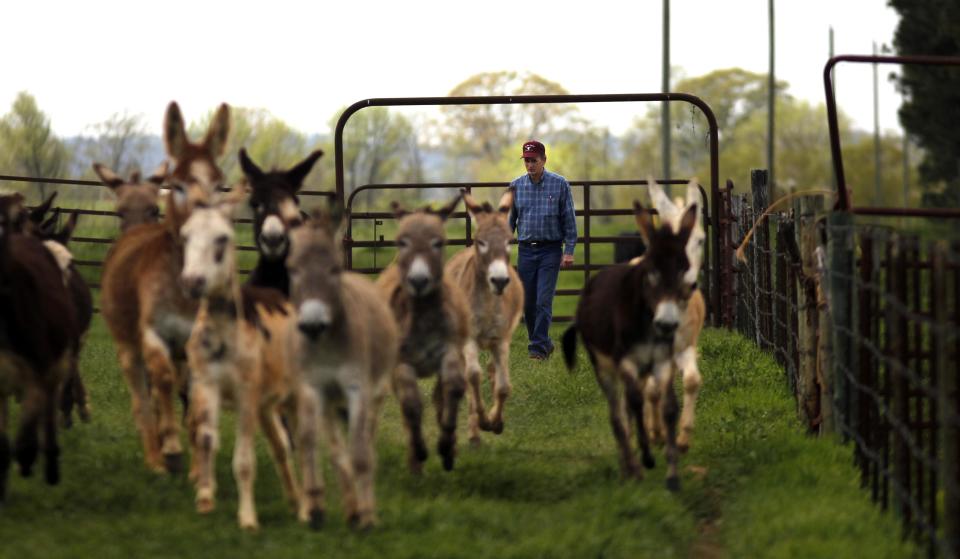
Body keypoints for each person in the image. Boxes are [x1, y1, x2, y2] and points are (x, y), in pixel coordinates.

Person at [508, 140, 577, 360]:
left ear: (544, 160)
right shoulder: (516, 186)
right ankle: (544, 342)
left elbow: (569, 220)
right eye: (527, 161)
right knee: (527, 302)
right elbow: (510, 221)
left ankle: (537, 349)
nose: (529, 165)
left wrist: (569, 250)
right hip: (526, 250)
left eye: (534, 160)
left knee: (543, 300)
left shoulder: (560, 184)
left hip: (551, 250)